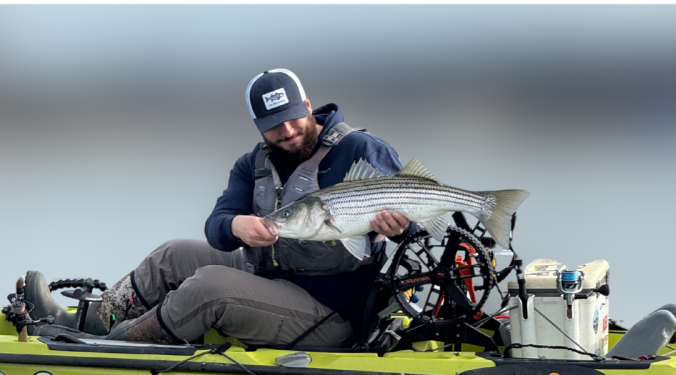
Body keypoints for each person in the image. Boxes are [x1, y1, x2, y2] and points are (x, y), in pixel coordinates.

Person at [28, 68, 417, 347]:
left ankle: (112, 348)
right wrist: (236, 227)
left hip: (332, 313)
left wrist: (399, 228)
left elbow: (415, 225)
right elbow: (217, 225)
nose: (287, 131)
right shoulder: (253, 164)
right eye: (274, 124)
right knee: (173, 254)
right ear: (258, 125)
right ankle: (85, 322)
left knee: (211, 289)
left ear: (308, 105)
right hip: (273, 276)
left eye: (293, 117)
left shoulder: (361, 150)